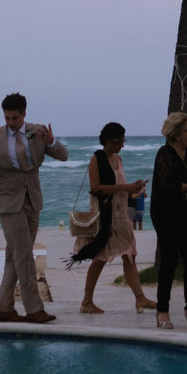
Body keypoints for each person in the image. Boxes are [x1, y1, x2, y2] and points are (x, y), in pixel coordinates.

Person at [0, 91, 67, 324]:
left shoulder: (38, 131)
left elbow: (64, 156)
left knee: (14, 257)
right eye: (7, 118)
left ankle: (4, 308)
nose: (10, 123)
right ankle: (34, 309)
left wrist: (51, 141)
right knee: (25, 255)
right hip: (8, 203)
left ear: (24, 114)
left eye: (14, 118)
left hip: (33, 200)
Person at [68, 121, 152, 316]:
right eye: (118, 141)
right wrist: (125, 187)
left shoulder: (119, 160)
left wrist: (134, 190)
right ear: (107, 141)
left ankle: (139, 298)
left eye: (123, 141)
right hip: (106, 216)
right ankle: (87, 301)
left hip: (121, 215)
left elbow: (121, 188)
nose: (121, 145)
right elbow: (96, 188)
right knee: (100, 258)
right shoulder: (96, 159)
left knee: (129, 255)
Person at [151, 113, 187, 329]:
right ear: (175, 134)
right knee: (169, 259)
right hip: (164, 212)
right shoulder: (164, 153)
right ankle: (162, 311)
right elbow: (166, 183)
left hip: (184, 211)